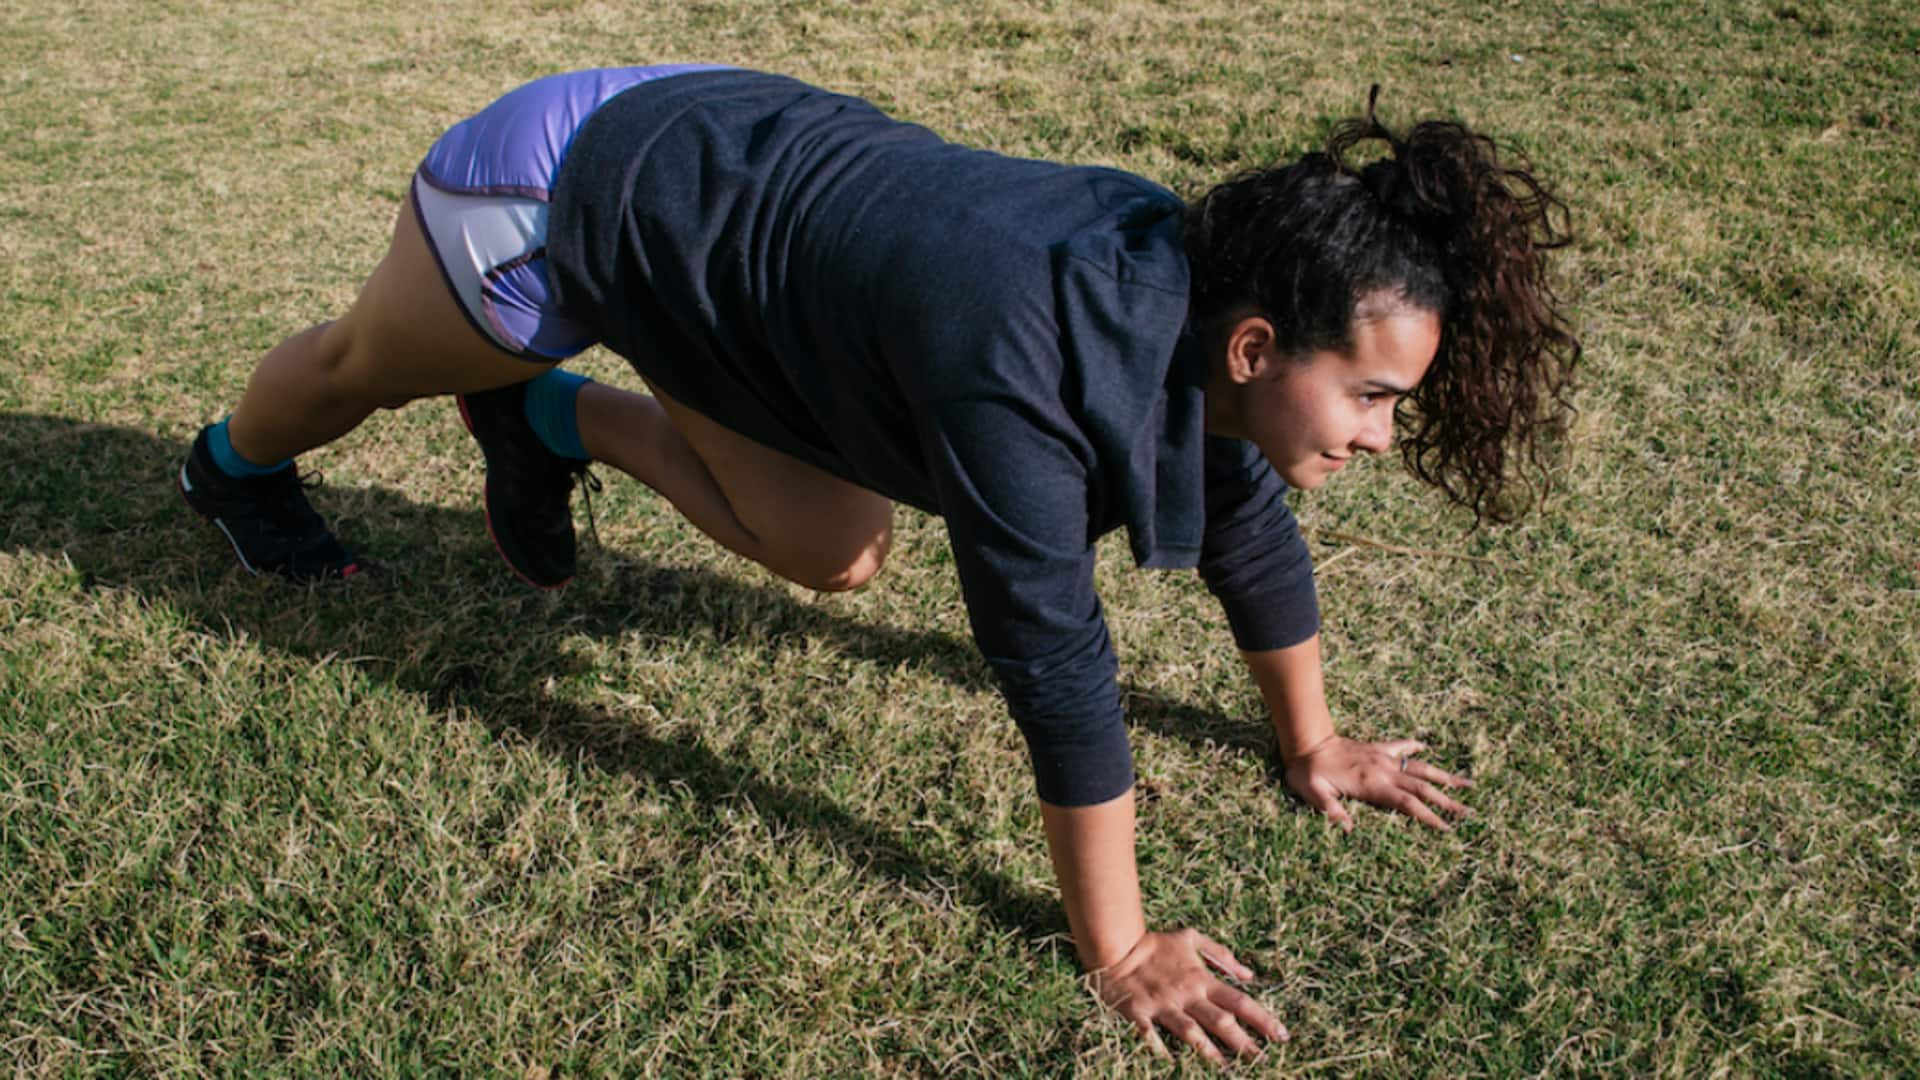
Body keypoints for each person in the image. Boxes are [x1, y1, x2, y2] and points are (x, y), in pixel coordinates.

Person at [177, 65, 1577, 1063]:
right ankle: (229, 468)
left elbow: (1243, 522)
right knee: (363, 365)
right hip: (577, 182)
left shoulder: (1184, 312)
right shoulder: (1025, 365)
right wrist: (1118, 947)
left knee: (828, 553)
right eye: (1375, 399)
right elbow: (1053, 661)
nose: (1383, 439)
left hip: (727, 257)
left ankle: (546, 420)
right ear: (1259, 349)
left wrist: (1316, 742)